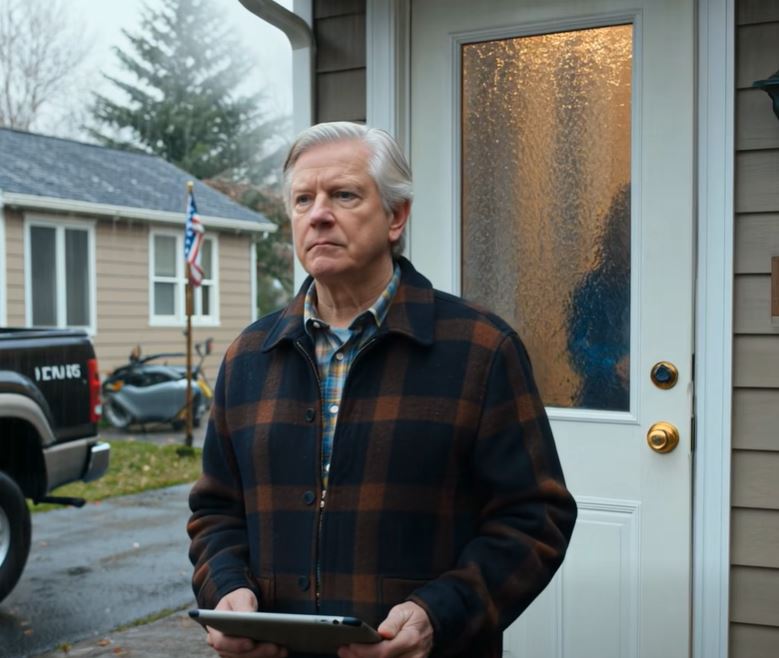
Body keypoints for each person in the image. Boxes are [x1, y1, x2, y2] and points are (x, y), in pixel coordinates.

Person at [187, 122, 577, 658]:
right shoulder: (249, 357)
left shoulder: (480, 349)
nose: (318, 213)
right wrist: (224, 587)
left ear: (396, 217)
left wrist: (438, 614)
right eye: (303, 199)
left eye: (344, 195)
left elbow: (537, 518)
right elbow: (216, 510)